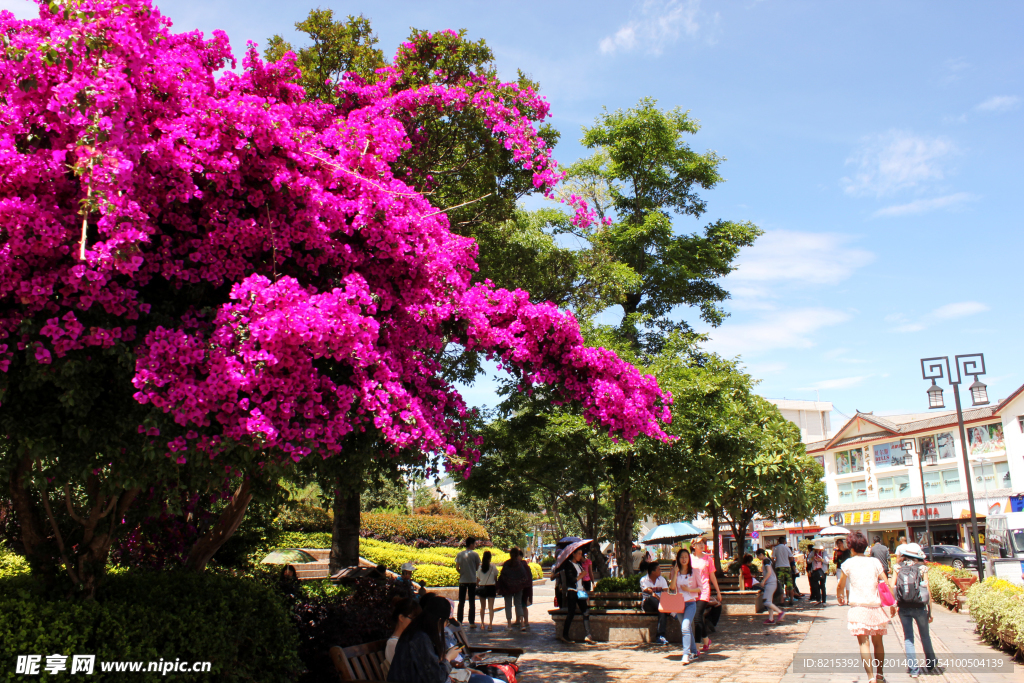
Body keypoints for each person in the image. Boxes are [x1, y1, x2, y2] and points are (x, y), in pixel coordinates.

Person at [837, 531, 892, 683]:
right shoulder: (874, 562)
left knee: (863, 643)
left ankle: (870, 678)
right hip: (875, 607)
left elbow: (841, 585)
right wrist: (892, 602)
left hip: (859, 608)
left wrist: (839, 595)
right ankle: (880, 675)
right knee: (878, 643)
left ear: (851, 547)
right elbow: (886, 583)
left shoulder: (848, 563)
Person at [386, 594, 453, 683]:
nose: (445, 626)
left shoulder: (414, 633)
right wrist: (448, 659)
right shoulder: (420, 638)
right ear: (440, 620)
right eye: (446, 622)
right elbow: (437, 678)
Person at [894, 543, 937, 678]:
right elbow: (927, 591)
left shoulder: (898, 568)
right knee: (925, 636)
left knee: (908, 638)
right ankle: (930, 663)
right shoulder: (922, 568)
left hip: (903, 607)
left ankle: (913, 670)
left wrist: (893, 605)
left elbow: (892, 587)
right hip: (920, 607)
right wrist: (930, 611)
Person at [689, 536, 722, 655]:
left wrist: (718, 592)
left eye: (703, 543)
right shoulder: (689, 559)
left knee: (698, 616)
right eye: (698, 543)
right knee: (697, 619)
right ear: (693, 546)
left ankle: (697, 648)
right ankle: (706, 640)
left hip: (704, 590)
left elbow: (712, 576)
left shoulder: (708, 559)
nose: (701, 545)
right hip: (692, 590)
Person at [668, 547, 700, 665]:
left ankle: (685, 654)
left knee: (685, 627)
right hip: (679, 603)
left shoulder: (695, 571)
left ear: (689, 559)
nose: (684, 559)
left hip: (691, 603)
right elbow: (672, 588)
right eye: (681, 557)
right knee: (687, 628)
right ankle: (694, 651)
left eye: (686, 557)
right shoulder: (675, 571)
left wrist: (689, 589)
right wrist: (675, 573)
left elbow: (700, 588)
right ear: (678, 559)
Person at [558, 546, 596, 644]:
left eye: (581, 554)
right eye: (578, 554)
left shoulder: (579, 565)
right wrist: (581, 576)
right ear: (573, 554)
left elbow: (580, 581)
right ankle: (565, 635)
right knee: (571, 613)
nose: (580, 556)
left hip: (580, 591)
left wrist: (583, 588)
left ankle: (588, 635)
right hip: (572, 592)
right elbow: (571, 580)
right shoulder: (569, 565)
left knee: (586, 611)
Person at [497, 547, 532, 631]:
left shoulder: (506, 564)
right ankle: (522, 624)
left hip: (507, 588)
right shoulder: (520, 565)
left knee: (508, 605)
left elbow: (502, 576)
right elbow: (524, 577)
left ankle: (509, 625)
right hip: (518, 588)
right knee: (518, 604)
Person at [385, 597, 423, 666]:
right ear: (401, 618)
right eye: (413, 619)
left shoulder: (407, 639)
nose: (416, 623)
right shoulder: (393, 644)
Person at [640, 562, 670, 646]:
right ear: (653, 572)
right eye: (659, 569)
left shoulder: (662, 580)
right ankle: (669, 611)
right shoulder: (644, 580)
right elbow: (650, 593)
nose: (660, 571)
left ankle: (660, 636)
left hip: (660, 605)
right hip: (648, 604)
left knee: (661, 610)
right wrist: (661, 601)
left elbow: (665, 593)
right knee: (651, 598)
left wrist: (662, 602)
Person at [455, 537, 480, 628]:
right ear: (471, 544)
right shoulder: (475, 555)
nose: (475, 546)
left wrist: (462, 572)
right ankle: (471, 622)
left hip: (462, 581)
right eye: (474, 544)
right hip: (472, 580)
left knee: (461, 601)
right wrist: (472, 571)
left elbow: (457, 567)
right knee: (472, 601)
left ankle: (459, 620)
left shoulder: (460, 554)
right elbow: (477, 567)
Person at [755, 548, 783, 624]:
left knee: (766, 601)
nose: (757, 557)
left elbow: (769, 572)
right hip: (771, 582)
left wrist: (763, 580)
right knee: (769, 601)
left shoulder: (766, 561)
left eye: (757, 556)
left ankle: (780, 612)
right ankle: (771, 619)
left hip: (770, 582)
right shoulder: (768, 560)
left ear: (761, 554)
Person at [476, 551, 498, 631]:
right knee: (491, 607)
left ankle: (482, 624)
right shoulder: (493, 567)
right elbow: (495, 579)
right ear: (490, 558)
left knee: (482, 607)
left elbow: (477, 580)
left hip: (482, 588)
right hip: (491, 588)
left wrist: (478, 585)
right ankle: (490, 625)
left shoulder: (480, 568)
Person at [772, 539, 794, 605]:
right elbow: (791, 558)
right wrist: (787, 562)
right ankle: (791, 600)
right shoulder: (787, 548)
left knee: (780, 584)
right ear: (784, 542)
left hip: (779, 567)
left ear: (778, 542)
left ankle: (781, 600)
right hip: (787, 567)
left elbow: (772, 558)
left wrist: (776, 562)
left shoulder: (775, 548)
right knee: (789, 584)